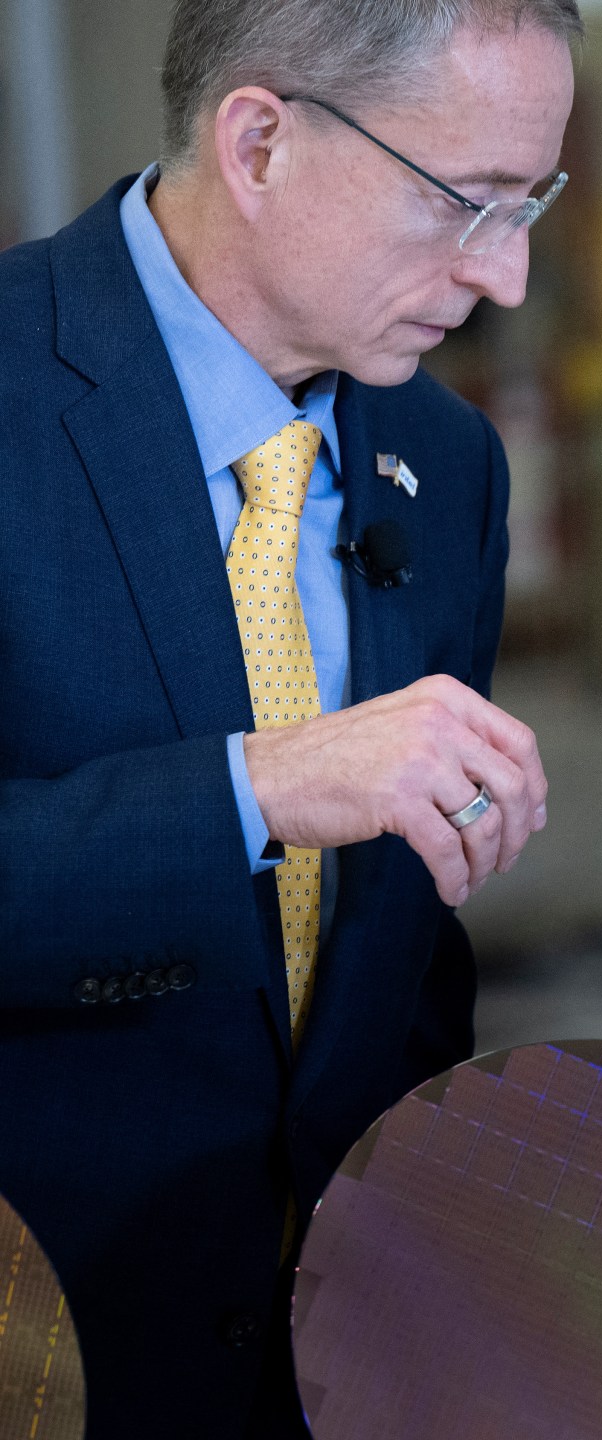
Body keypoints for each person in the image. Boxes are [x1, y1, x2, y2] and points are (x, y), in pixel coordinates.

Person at [0, 2, 573, 1434]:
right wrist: (253, 793)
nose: (504, 276)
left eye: (533, 205)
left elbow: (413, 951)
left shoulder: (448, 464)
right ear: (258, 141)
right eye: (464, 204)